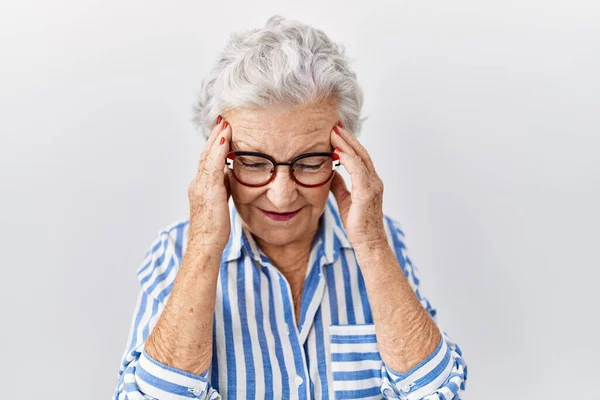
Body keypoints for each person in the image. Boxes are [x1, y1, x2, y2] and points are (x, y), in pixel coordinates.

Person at [113, 15, 467, 400]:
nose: (282, 196)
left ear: (343, 155)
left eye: (310, 162)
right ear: (218, 159)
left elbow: (437, 393)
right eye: (253, 161)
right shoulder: (176, 253)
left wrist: (373, 246)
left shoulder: (381, 243)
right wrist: (203, 246)